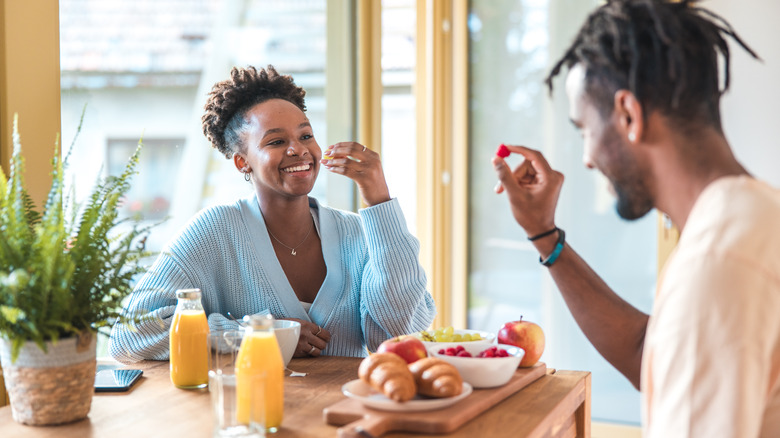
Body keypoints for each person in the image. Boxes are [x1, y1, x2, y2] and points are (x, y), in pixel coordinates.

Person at [492, 1, 780, 437]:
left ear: (628, 115)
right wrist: (542, 233)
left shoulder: (717, 264)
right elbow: (650, 351)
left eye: (585, 128)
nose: (587, 159)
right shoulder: (753, 217)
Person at [110, 65, 436, 362]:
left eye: (306, 135)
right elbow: (129, 335)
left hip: (345, 416)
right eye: (277, 140)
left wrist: (378, 199)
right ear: (243, 161)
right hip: (251, 417)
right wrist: (255, 334)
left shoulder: (362, 234)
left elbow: (397, 336)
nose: (299, 149)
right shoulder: (213, 232)